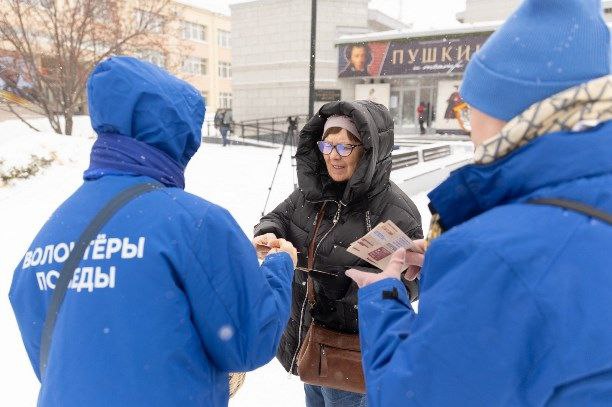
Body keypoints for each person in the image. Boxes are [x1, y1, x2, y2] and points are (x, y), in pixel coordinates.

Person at [346, 0, 612, 405]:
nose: (469, 132)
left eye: (469, 113)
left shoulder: (495, 252)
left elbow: (412, 397)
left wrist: (383, 294)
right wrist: (450, 263)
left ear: (514, 115)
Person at [9, 56, 298, 407]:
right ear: (180, 136)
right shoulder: (195, 223)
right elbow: (250, 342)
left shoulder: (50, 233)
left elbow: (55, 362)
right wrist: (281, 266)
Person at [253, 100, 423, 407]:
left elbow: (408, 284)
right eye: (327, 145)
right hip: (312, 342)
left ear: (367, 150)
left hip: (352, 353)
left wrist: (348, 292)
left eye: (345, 147)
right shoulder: (313, 193)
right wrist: (269, 232)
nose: (333, 156)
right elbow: (279, 217)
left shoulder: (393, 213)